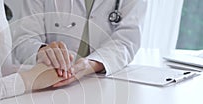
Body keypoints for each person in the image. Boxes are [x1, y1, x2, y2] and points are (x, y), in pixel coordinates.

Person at [12, 0, 147, 87]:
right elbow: (23, 38)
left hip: (105, 83)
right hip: (51, 85)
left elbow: (126, 40)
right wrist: (43, 52)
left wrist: (91, 64)